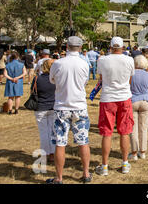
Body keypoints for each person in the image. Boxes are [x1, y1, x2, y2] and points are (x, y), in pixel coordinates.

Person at [47, 36, 92, 184]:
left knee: (60, 143)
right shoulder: (84, 64)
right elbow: (84, 82)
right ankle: (86, 174)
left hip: (62, 106)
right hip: (79, 107)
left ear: (67, 46)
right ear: (80, 47)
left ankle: (59, 177)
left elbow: (52, 80)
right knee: (83, 141)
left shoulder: (58, 64)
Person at [95, 36, 135, 176]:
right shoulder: (129, 60)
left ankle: (105, 165)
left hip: (108, 98)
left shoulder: (102, 60)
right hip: (124, 97)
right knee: (124, 131)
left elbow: (101, 79)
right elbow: (130, 79)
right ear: (123, 47)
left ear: (111, 47)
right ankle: (124, 163)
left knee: (107, 133)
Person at [129, 55, 148, 161]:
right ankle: (142, 151)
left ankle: (134, 152)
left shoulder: (131, 75)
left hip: (133, 101)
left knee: (133, 128)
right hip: (145, 101)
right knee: (143, 127)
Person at [32, 59, 56, 163]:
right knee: (52, 131)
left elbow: (33, 91)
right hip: (53, 106)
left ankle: (45, 153)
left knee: (44, 132)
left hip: (41, 106)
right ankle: (52, 154)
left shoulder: (37, 78)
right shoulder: (55, 79)